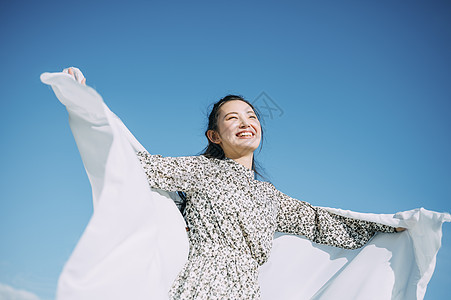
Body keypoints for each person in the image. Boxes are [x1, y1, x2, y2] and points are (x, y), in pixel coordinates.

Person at [42, 67, 447, 300]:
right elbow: (135, 163)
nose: (246, 122)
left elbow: (326, 223)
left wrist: (391, 225)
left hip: (248, 290)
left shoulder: (270, 197)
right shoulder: (200, 171)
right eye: (232, 118)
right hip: (204, 281)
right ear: (214, 136)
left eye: (252, 116)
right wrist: (86, 103)